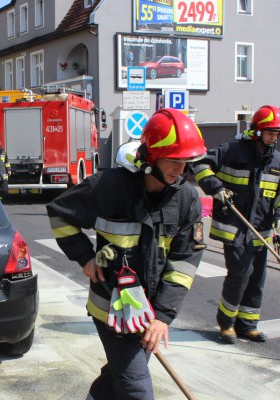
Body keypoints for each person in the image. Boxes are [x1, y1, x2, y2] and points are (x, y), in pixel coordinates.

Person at [47, 109, 207, 399]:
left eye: (186, 162)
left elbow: (184, 263)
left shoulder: (186, 199)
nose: (180, 170)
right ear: (152, 157)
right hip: (111, 307)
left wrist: (161, 317)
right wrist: (84, 257)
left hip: (148, 313)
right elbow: (59, 213)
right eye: (173, 160)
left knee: (119, 377)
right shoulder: (109, 186)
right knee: (136, 389)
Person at [192, 105, 280, 344]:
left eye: (278, 132)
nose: (275, 136)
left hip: (262, 231)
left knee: (257, 277)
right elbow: (199, 165)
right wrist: (215, 189)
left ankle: (247, 325)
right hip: (234, 227)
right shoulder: (232, 151)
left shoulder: (279, 161)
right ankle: (226, 324)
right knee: (240, 274)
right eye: (271, 132)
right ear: (257, 131)